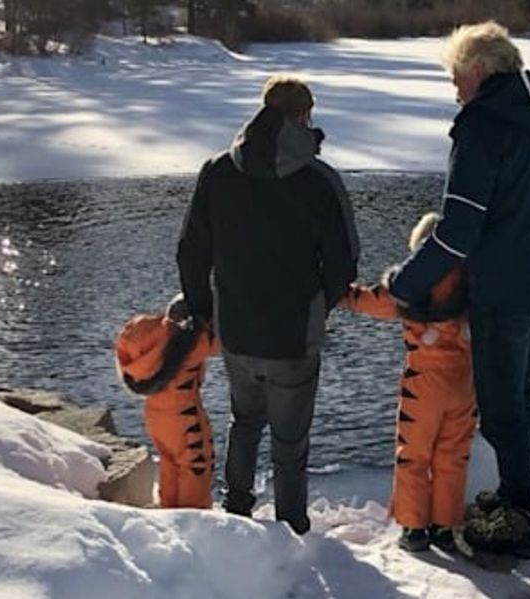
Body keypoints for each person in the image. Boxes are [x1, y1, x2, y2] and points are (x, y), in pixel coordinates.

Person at [387, 21, 530, 559]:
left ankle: (524, 515)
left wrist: (404, 284)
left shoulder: (483, 128)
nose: (453, 88)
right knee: (523, 393)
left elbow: (457, 231)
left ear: (479, 71)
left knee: (501, 408)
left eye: (455, 75)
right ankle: (520, 494)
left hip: (506, 289)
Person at [176, 75, 359, 534]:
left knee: (245, 422)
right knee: (290, 442)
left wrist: (203, 310)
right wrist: (321, 304)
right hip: (294, 333)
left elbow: (190, 250)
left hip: (236, 328)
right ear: (304, 116)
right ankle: (292, 528)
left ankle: (236, 512)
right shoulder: (319, 180)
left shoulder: (218, 170)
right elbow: (345, 261)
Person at [341, 212, 476, 553]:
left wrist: (337, 291)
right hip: (464, 384)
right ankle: (445, 526)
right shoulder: (473, 280)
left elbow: (369, 302)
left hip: (423, 384)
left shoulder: (409, 285)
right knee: (453, 455)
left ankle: (414, 528)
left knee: (413, 455)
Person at [115, 294, 217, 509]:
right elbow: (228, 341)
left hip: (156, 413)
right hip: (184, 413)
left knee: (170, 462)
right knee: (195, 465)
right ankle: (194, 520)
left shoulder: (144, 337)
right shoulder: (191, 343)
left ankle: (169, 512)